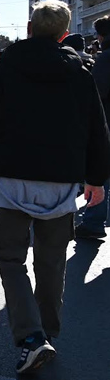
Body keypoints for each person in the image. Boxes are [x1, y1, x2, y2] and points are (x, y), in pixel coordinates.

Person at [0, 0, 110, 375]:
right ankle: (47, 331)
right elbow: (97, 128)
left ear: (29, 29)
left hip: (12, 179)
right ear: (64, 33)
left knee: (10, 259)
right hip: (62, 182)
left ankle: (31, 337)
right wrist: (96, 178)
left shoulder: (5, 67)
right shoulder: (80, 72)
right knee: (52, 262)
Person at [79, 15, 110, 238]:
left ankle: (93, 222)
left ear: (100, 36)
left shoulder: (106, 58)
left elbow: (97, 93)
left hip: (107, 124)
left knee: (101, 173)